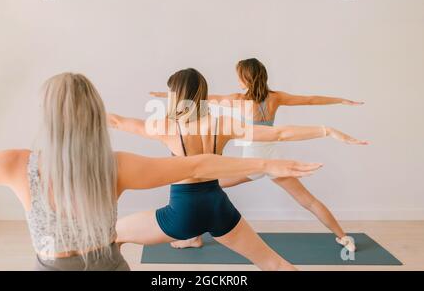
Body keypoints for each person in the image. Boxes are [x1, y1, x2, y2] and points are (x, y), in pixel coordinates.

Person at [0, 73, 322, 271]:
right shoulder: (116, 164)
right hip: (112, 262)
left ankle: (191, 237)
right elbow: (198, 165)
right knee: (273, 263)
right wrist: (265, 164)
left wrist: (264, 165)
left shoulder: (17, 164)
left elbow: (190, 162)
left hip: (62, 264)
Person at [109, 68, 366, 270]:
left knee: (111, 235)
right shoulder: (222, 123)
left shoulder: (164, 126)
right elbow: (278, 133)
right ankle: (193, 237)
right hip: (219, 207)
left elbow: (118, 121)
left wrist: (75, 107)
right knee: (274, 265)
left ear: (176, 95)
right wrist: (326, 130)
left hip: (182, 213)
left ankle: (190, 237)